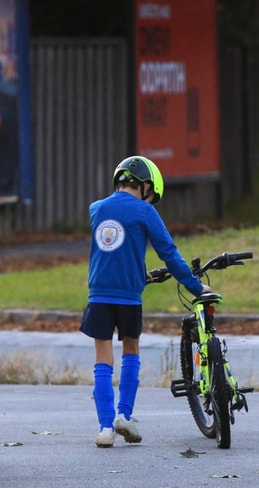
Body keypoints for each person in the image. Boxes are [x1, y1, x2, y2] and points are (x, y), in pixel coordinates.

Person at [80, 155, 211, 448]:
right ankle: (124, 415)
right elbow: (170, 254)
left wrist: (140, 274)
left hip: (98, 295)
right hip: (128, 297)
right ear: (145, 185)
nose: (150, 201)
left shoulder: (96, 209)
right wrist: (194, 286)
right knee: (130, 351)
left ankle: (104, 428)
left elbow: (114, 252)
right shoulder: (145, 212)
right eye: (151, 195)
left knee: (102, 360)